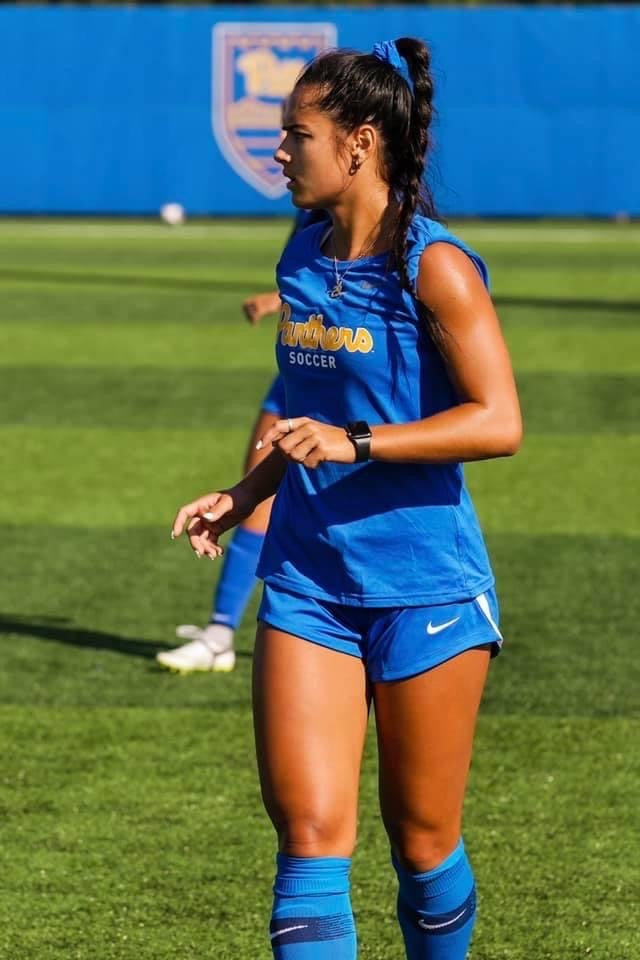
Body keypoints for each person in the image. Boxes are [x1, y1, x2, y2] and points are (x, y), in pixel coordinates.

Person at [171, 36, 522, 960]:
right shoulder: (299, 254)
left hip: (427, 589)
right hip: (308, 585)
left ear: (360, 142)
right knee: (310, 846)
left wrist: (360, 442)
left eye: (296, 135)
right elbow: (307, 412)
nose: (280, 152)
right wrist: (246, 488)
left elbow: (498, 421)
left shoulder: (436, 266)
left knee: (423, 844)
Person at [157, 211, 326, 674]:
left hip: (335, 361)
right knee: (256, 484)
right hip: (303, 357)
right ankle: (221, 630)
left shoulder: (366, 211)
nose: (281, 150)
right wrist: (281, 300)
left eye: (296, 134)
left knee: (276, 486)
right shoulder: (314, 207)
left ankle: (223, 633)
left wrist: (280, 298)